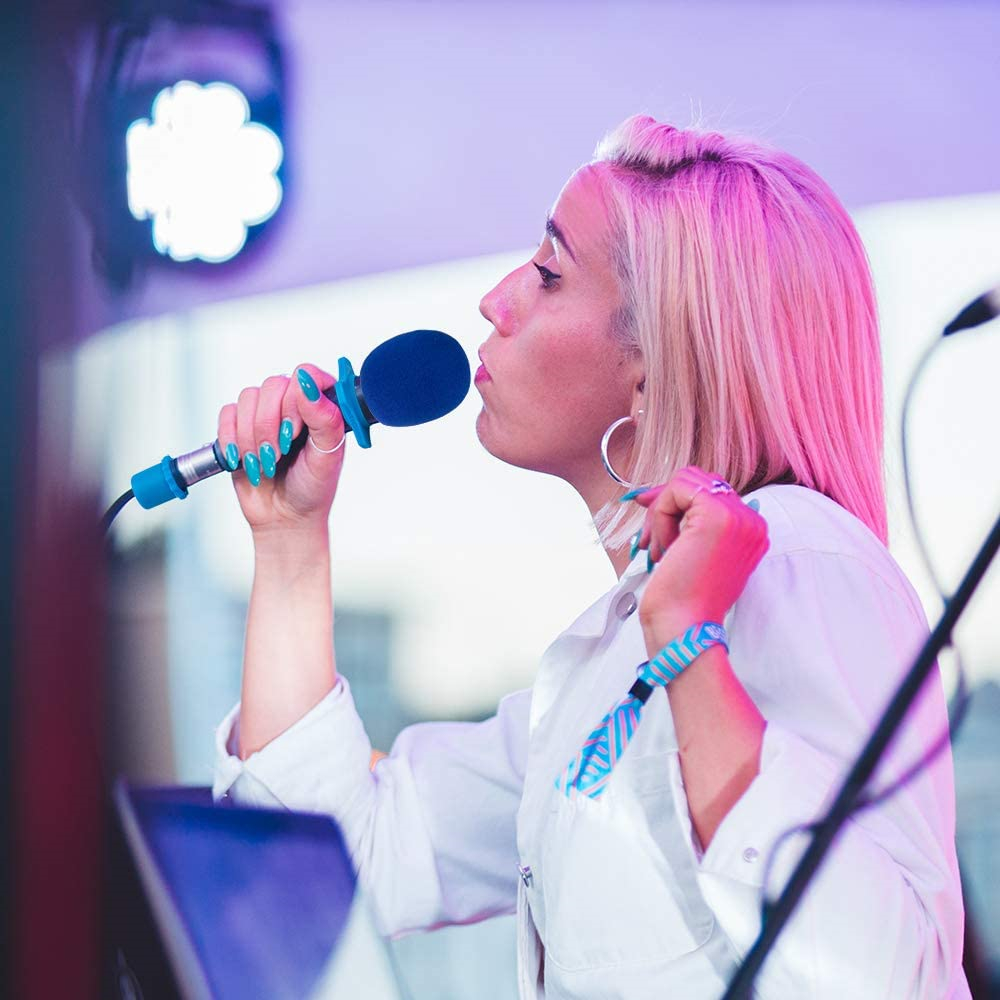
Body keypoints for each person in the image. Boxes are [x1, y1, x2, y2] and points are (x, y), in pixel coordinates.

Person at [211, 115, 970, 998]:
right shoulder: (596, 680)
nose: (495, 301)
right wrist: (290, 545)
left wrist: (691, 647)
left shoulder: (799, 561)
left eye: (548, 273)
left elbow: (885, 979)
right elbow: (334, 868)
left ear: (654, 364)